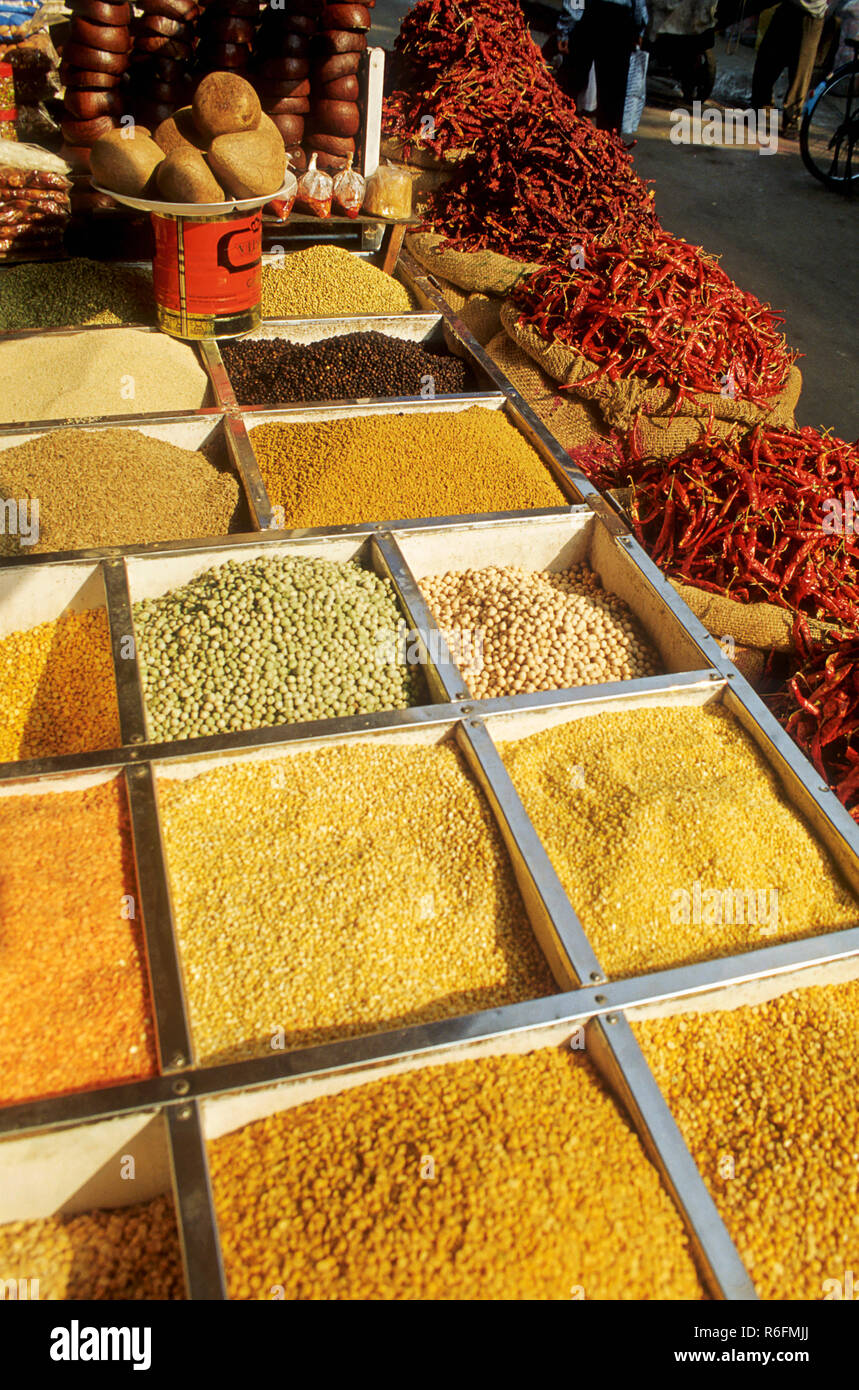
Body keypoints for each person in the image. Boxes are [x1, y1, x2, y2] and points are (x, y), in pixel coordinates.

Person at [559, 0, 649, 132]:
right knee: (612, 98)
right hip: (620, 20)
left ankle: (559, 134)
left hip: (589, 16)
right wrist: (639, 26)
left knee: (568, 88)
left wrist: (565, 26)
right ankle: (609, 145)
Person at [751, 0, 828, 138]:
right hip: (788, 8)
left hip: (811, 17)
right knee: (766, 62)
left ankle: (792, 120)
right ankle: (762, 108)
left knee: (800, 74)